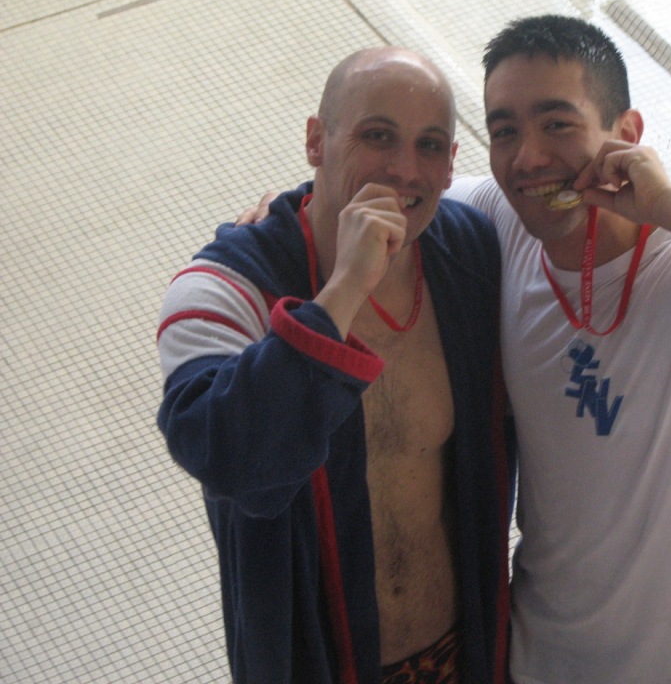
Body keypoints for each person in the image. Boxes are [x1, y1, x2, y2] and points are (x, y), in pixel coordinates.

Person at [242, 16, 671, 684]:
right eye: (505, 130)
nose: (528, 158)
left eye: (558, 124)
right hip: (548, 658)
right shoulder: (503, 224)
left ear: (627, 134)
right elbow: (403, 191)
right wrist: (298, 207)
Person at [157, 47, 513, 684]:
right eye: (377, 136)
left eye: (430, 145)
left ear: (452, 163)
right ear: (315, 141)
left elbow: (562, 184)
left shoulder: (471, 248)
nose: (405, 169)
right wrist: (344, 289)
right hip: (313, 664)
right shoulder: (223, 291)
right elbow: (230, 460)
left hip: (467, 652)